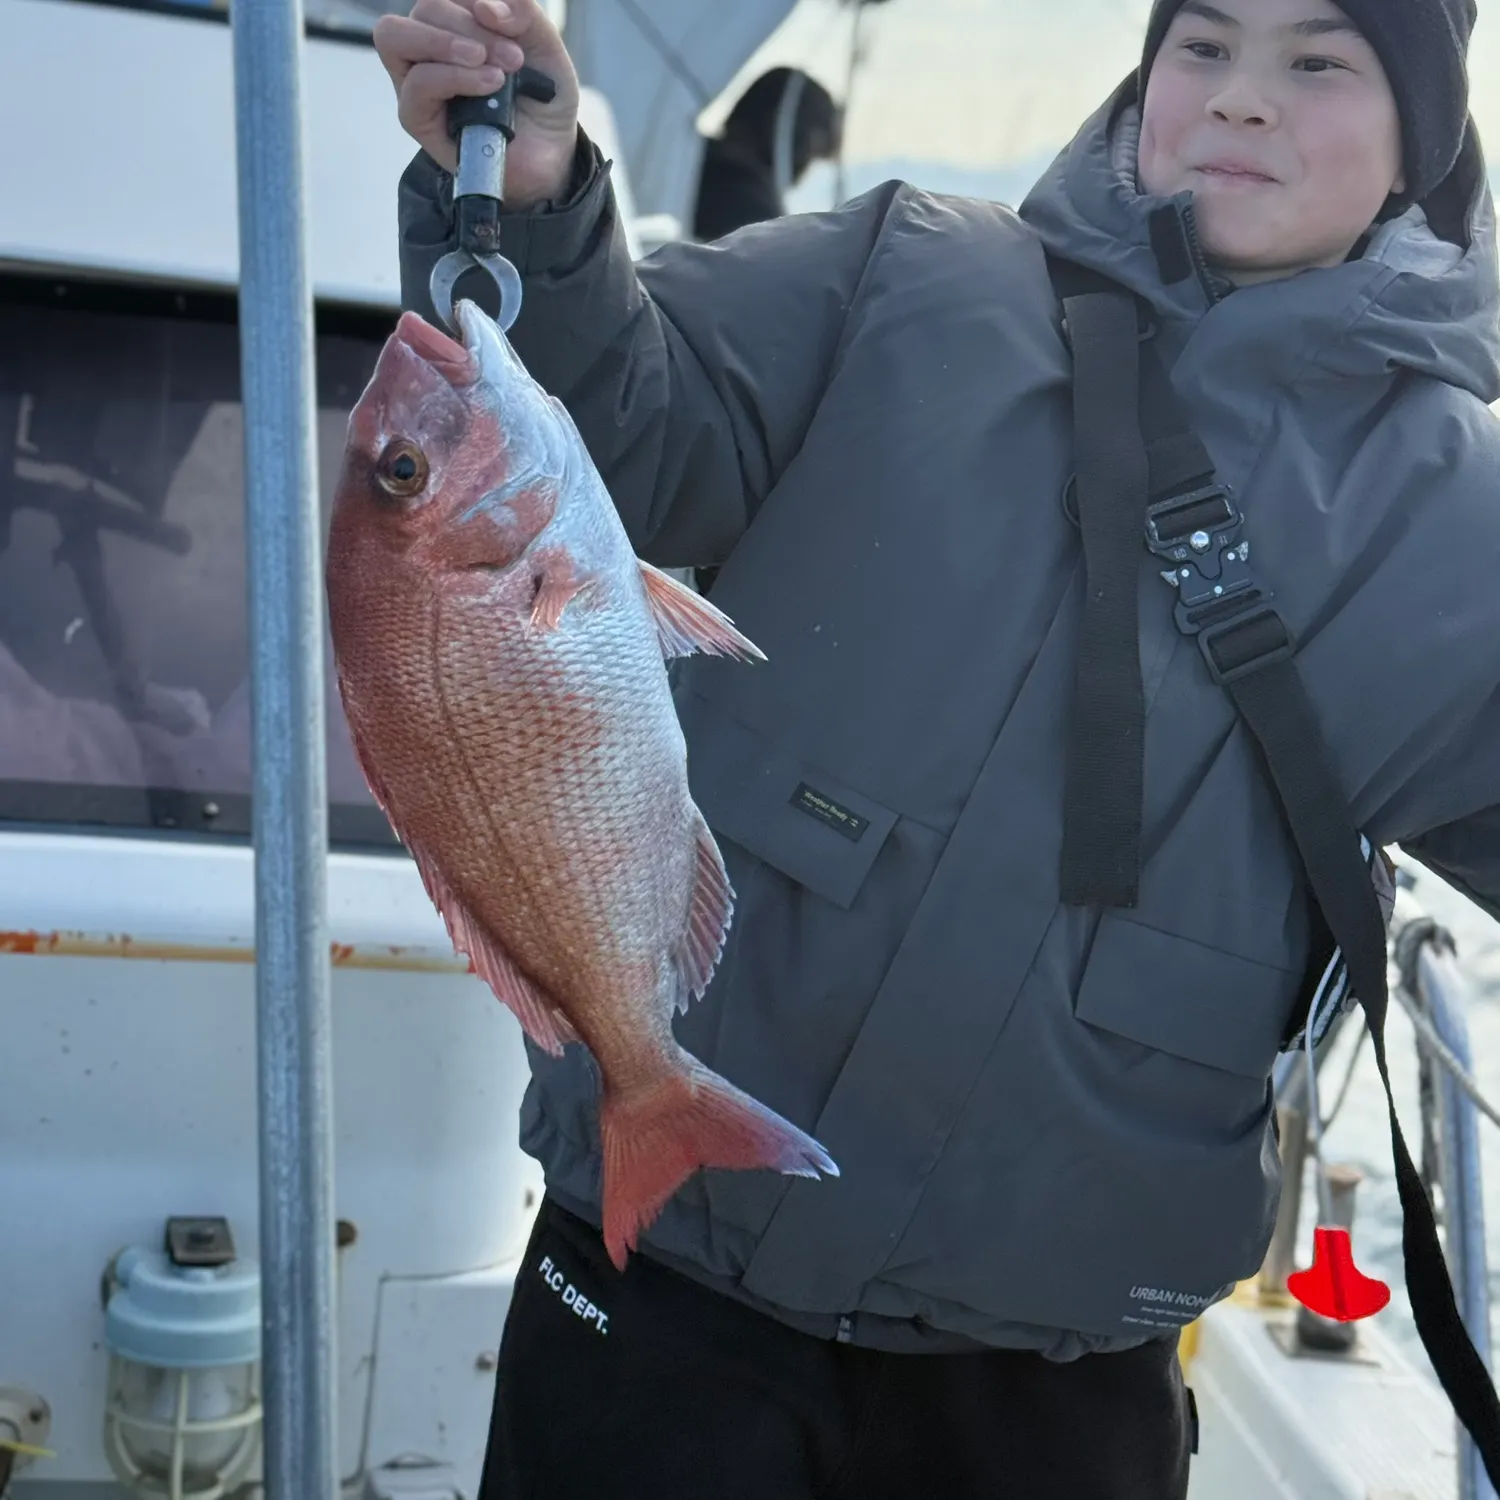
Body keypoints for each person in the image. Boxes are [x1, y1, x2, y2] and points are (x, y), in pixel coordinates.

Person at [373, 0, 1500, 1494]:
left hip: (1051, 1369)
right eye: (1205, 46)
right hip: (662, 1269)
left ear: (1423, 132)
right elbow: (624, 440)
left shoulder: (1458, 516)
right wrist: (535, 204)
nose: (1239, 100)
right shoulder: (900, 270)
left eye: (1317, 61)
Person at [690, 66, 843, 243]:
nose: (808, 166)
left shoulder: (689, 160)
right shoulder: (749, 205)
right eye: (813, 151)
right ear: (795, 138)